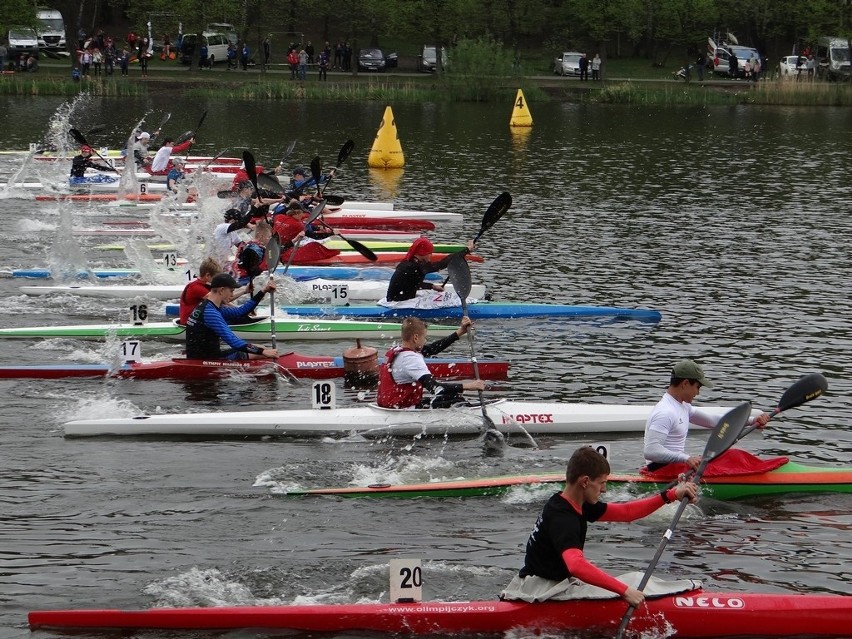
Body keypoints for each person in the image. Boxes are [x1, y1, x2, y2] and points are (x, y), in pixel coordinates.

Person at [500, 446, 698, 606]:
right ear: (585, 481)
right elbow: (576, 565)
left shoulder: (575, 503)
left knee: (635, 579)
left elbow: (627, 512)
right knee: (631, 585)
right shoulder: (563, 518)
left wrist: (670, 495)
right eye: (602, 483)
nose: (604, 489)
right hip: (541, 591)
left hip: (554, 583)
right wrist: (625, 592)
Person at [642, 359, 770, 475]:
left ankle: (762, 470)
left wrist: (752, 421)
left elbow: (714, 422)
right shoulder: (665, 412)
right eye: (697, 387)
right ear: (685, 383)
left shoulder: (682, 406)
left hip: (676, 467)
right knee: (733, 457)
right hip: (663, 471)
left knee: (733, 454)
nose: (698, 393)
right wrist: (686, 458)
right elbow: (651, 451)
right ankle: (764, 474)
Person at [376, 316, 486, 409]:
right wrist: (470, 385)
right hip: (402, 410)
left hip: (390, 405)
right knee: (457, 401)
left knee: (451, 397)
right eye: (425, 337)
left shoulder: (397, 350)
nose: (425, 341)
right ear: (416, 338)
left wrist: (460, 332)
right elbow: (436, 388)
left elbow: (432, 349)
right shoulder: (411, 359)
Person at [185, 273, 278, 360]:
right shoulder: (210, 313)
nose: (232, 295)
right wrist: (263, 352)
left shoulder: (208, 306)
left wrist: (263, 291)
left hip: (206, 355)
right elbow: (235, 342)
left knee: (261, 348)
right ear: (221, 290)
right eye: (231, 291)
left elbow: (241, 311)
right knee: (260, 352)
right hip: (207, 360)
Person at [385, 237, 474, 303]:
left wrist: (432, 286)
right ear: (422, 253)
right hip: (397, 303)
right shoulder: (413, 266)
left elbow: (412, 284)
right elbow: (442, 264)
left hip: (398, 299)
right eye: (429, 253)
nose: (430, 256)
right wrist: (466, 250)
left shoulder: (411, 263)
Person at [271, 200, 341, 264]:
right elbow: (313, 236)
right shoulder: (298, 225)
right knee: (316, 244)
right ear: (298, 213)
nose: (303, 215)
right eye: (302, 213)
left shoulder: (278, 217)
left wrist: (317, 227)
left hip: (275, 245)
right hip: (286, 248)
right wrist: (331, 234)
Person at [178, 257, 220, 325]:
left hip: (198, 320)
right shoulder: (196, 288)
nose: (218, 281)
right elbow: (222, 301)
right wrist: (242, 291)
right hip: (189, 324)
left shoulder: (205, 285)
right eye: (216, 278)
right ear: (207, 276)